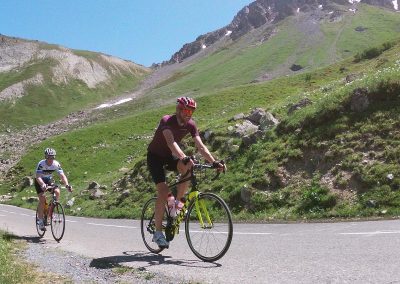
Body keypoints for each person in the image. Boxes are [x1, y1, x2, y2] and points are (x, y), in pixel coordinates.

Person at [147, 96, 226, 248]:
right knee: (164, 192)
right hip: (155, 157)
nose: (188, 114)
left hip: (169, 157)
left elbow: (201, 147)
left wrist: (214, 162)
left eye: (191, 111)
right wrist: (183, 157)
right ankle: (157, 233)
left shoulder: (191, 125)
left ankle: (176, 205)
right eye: (185, 110)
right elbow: (171, 143)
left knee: (189, 166)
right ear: (179, 109)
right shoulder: (167, 120)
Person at [35, 148, 72, 231]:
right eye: (49, 157)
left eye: (52, 157)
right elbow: (38, 176)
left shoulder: (56, 164)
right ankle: (40, 220)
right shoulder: (41, 164)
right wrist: (43, 185)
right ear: (45, 157)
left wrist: (67, 185)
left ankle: (50, 212)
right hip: (39, 180)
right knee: (42, 199)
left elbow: (62, 176)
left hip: (48, 179)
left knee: (57, 192)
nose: (50, 159)